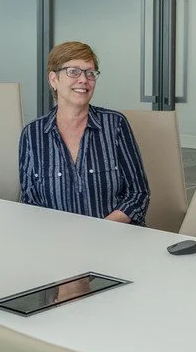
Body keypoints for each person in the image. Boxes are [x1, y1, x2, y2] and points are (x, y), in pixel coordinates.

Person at [18, 40, 150, 225]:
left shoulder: (115, 124)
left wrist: (98, 230)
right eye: (73, 72)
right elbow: (29, 204)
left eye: (90, 73)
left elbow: (138, 194)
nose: (83, 80)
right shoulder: (32, 134)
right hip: (57, 242)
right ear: (53, 79)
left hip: (114, 239)